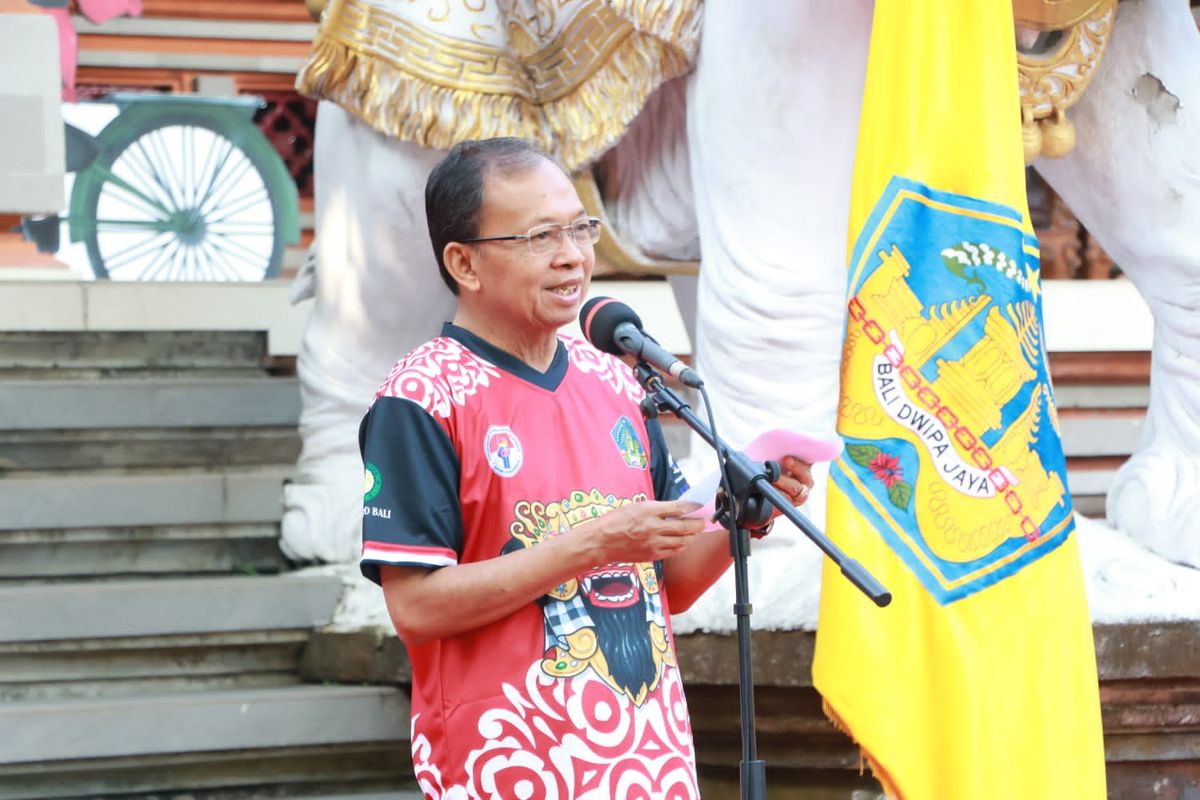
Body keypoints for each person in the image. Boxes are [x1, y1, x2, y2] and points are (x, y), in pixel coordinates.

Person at [357, 137, 813, 799]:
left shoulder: (621, 385)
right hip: (507, 767)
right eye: (541, 235)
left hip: (647, 765)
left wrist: (742, 518)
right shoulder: (423, 398)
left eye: (580, 227)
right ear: (465, 262)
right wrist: (591, 545)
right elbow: (417, 606)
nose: (572, 254)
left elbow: (670, 585)